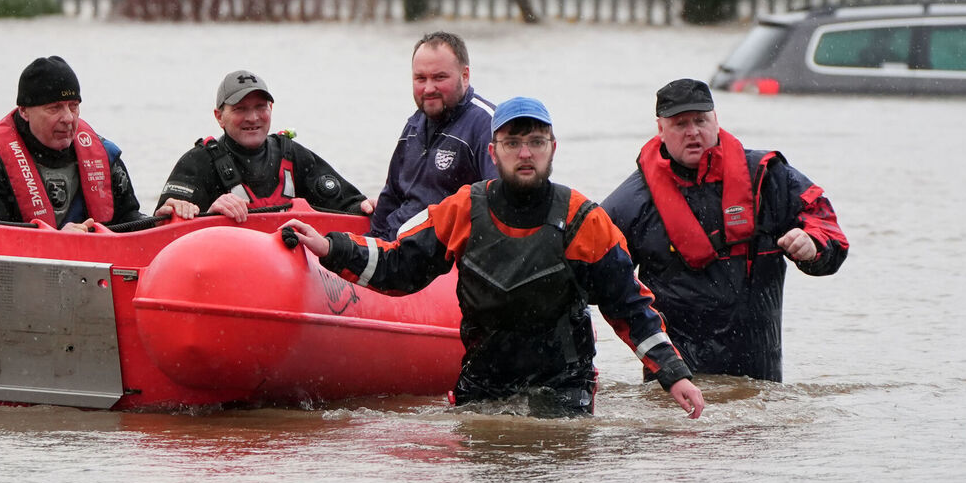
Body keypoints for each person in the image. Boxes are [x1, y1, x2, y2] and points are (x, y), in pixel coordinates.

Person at [283, 97, 705, 419]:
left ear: (552, 149)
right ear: (493, 149)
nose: (525, 153)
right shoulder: (463, 208)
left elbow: (629, 306)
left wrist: (673, 372)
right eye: (513, 142)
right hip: (484, 380)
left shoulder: (583, 219)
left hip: (562, 386)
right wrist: (331, 247)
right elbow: (401, 267)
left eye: (536, 142)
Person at [602, 79, 849, 383]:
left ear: (716, 121)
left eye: (701, 120)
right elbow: (589, 269)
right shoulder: (631, 202)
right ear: (660, 130)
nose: (693, 132)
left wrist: (813, 246)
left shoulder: (767, 179)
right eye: (680, 123)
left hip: (760, 378)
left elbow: (830, 231)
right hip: (676, 382)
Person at [0, 55, 145, 230]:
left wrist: (159, 220)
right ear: (24, 111)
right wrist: (57, 243)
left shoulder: (104, 155)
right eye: (54, 108)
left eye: (73, 106)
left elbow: (129, 222)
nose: (68, 118)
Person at [155, 70, 374, 223]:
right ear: (219, 117)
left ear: (271, 108)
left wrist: (369, 208)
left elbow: (349, 206)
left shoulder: (293, 155)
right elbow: (163, 227)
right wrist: (208, 216)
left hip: (287, 275)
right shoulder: (197, 163)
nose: (253, 118)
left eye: (260, 107)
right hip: (225, 272)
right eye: (240, 109)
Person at [370, 31, 497, 239]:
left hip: (444, 257)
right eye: (420, 78)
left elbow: (504, 205)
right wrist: (371, 243)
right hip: (397, 249)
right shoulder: (413, 125)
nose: (428, 89)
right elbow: (391, 197)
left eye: (439, 77)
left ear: (465, 76)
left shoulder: (489, 125)